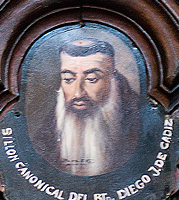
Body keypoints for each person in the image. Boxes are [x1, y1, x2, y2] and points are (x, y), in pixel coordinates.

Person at [34, 37, 140, 176]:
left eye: (91, 79)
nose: (78, 92)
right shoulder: (49, 127)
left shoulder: (139, 120)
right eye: (68, 79)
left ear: (112, 76)